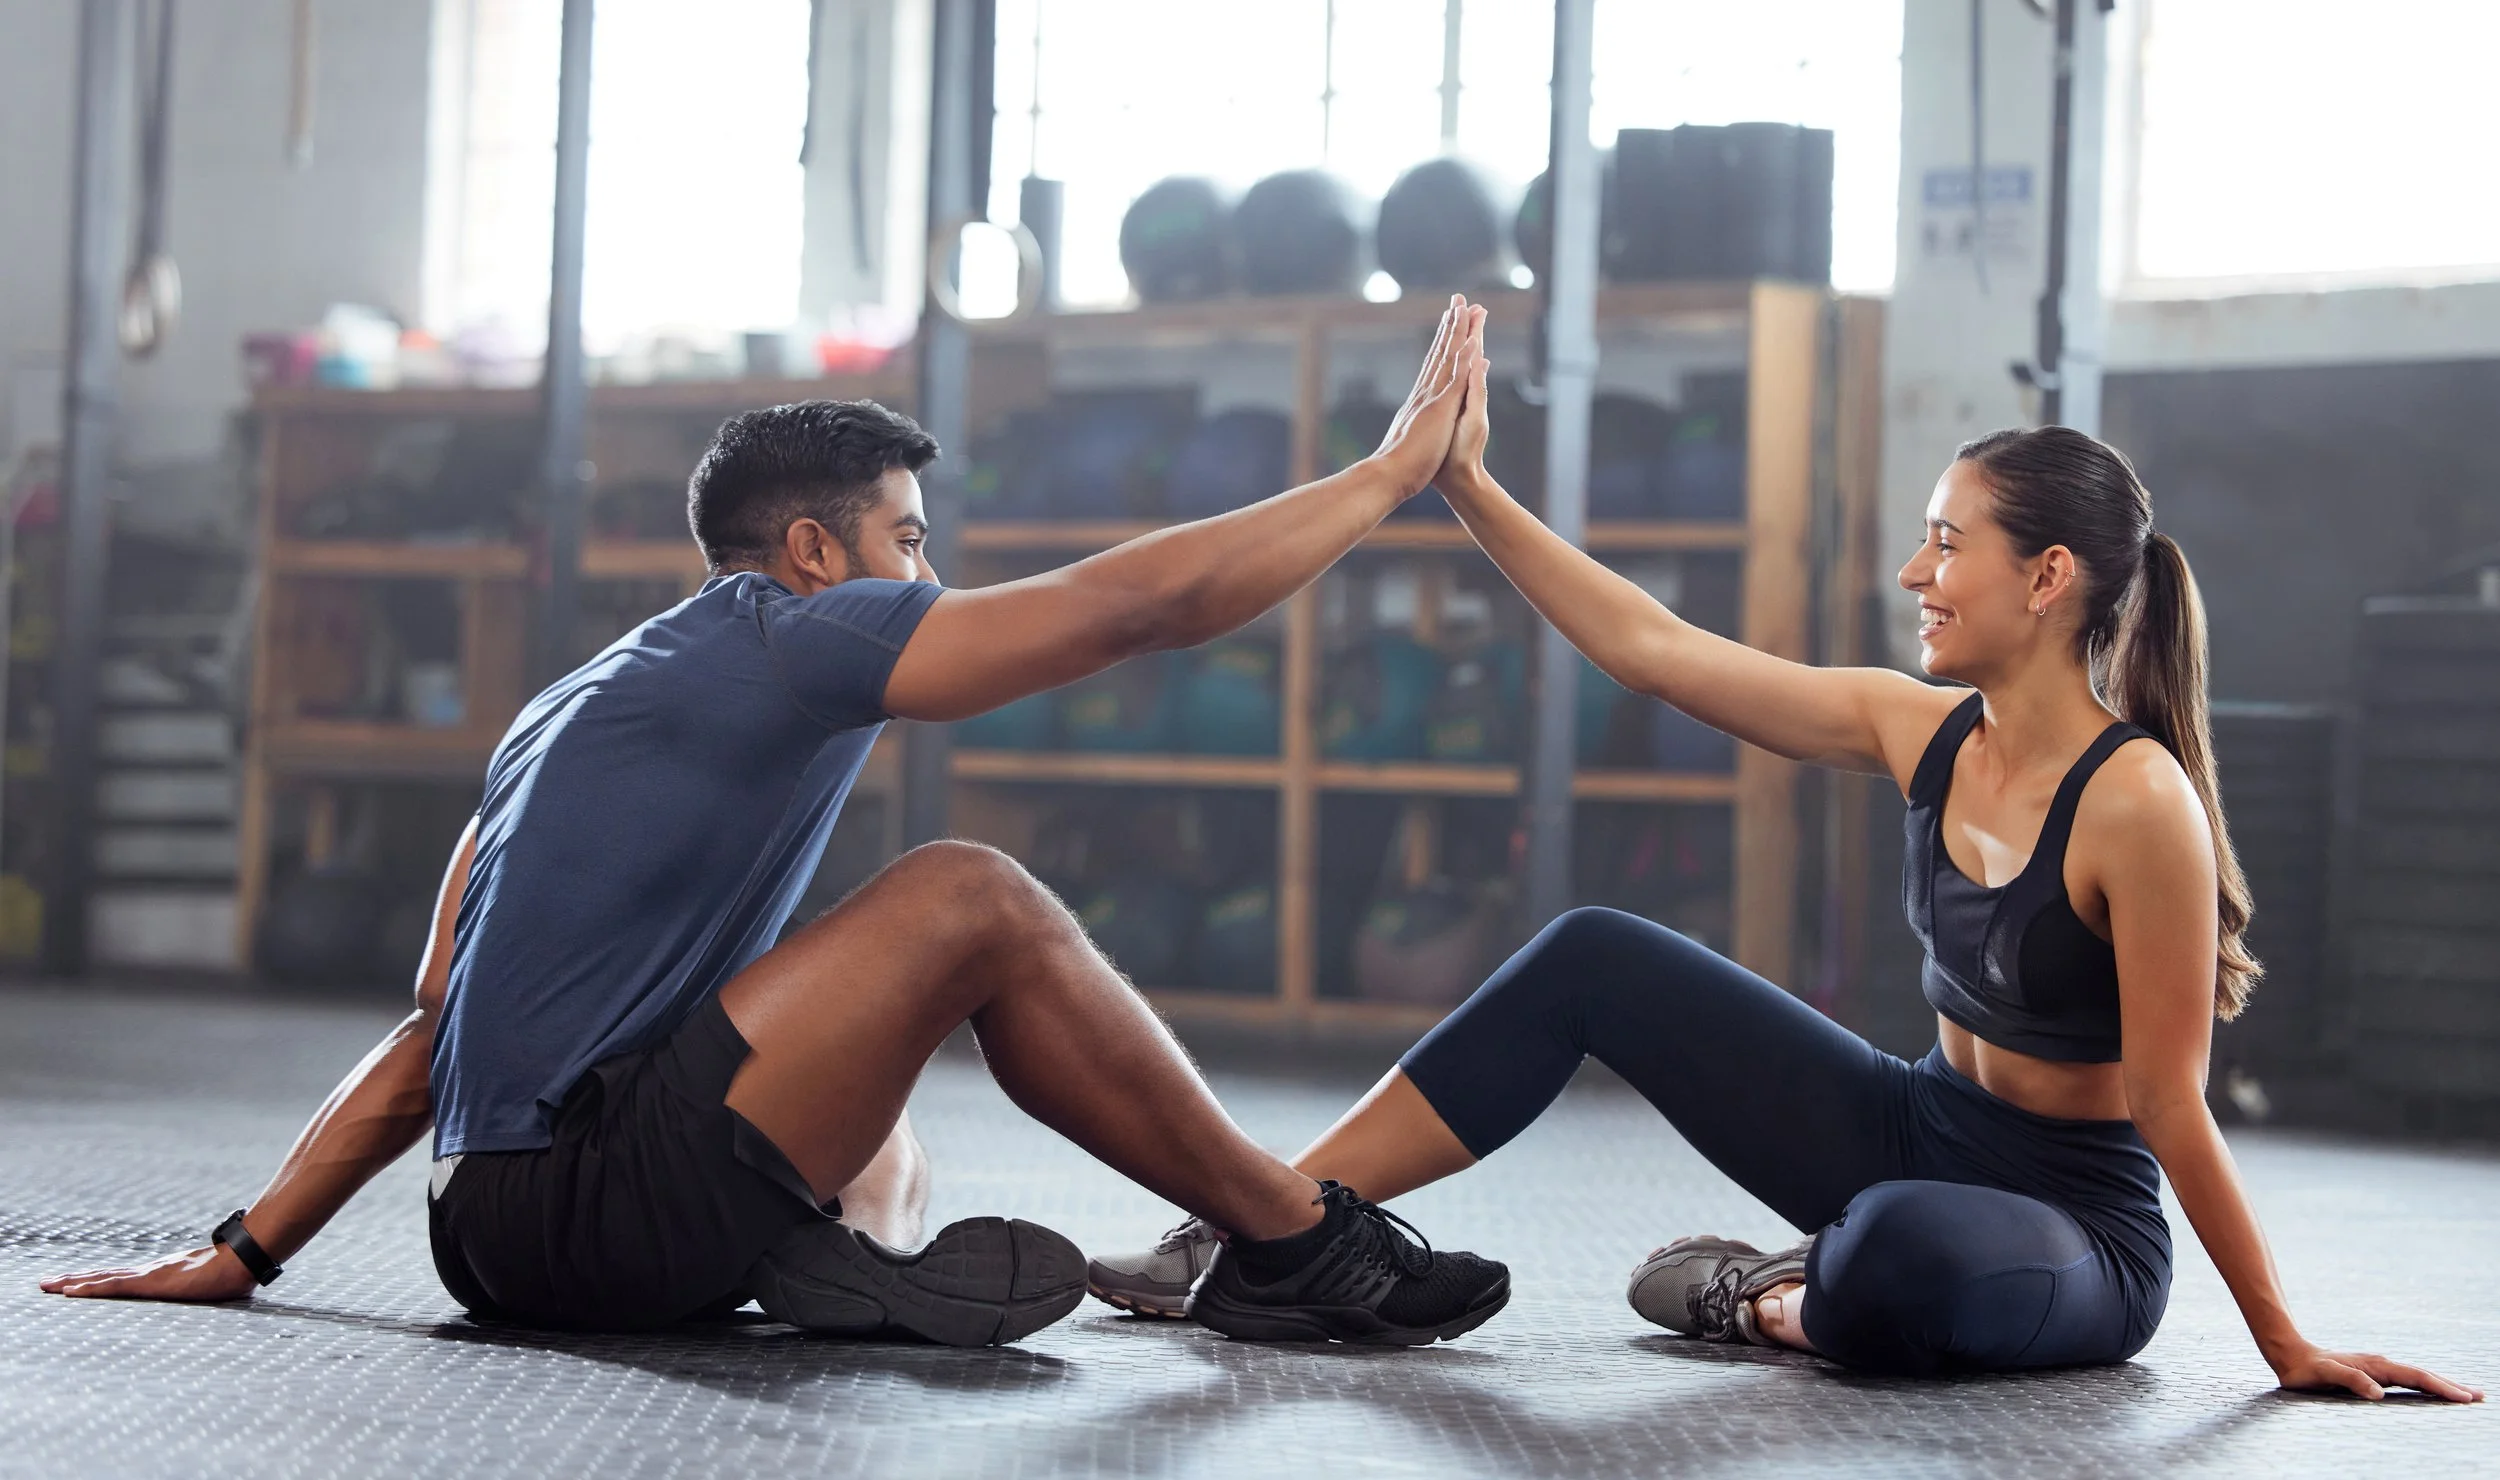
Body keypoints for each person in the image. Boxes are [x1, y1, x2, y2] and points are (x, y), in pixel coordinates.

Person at [40, 300, 1512, 1350]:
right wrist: (1389, 479)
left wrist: (250, 1249)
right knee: (968, 900)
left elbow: (438, 1020)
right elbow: (1137, 609)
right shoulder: (780, 635)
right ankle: (1296, 1244)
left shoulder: (564, 706)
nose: (927, 577)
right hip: (597, 1211)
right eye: (909, 541)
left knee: (884, 1116)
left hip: (486, 1233)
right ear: (815, 553)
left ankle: (849, 1259)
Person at [1089, 322, 2485, 1402]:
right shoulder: (1919, 726)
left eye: (1948, 546)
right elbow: (1656, 651)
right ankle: (1261, 1227)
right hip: (1915, 1128)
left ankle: (1760, 1297)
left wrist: (2285, 1343)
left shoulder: (2141, 807)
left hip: (2072, 1229)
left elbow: (2174, 1108)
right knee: (1594, 956)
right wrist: (1465, 485)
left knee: (1893, 1261)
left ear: (2049, 578)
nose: (1914, 575)